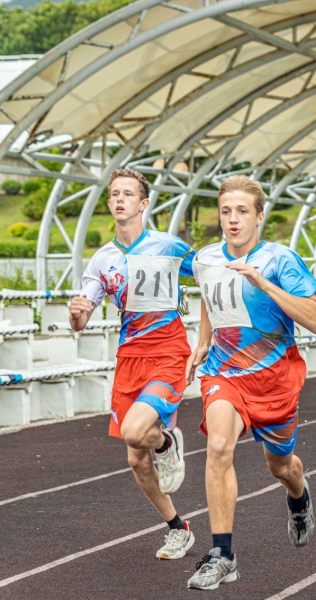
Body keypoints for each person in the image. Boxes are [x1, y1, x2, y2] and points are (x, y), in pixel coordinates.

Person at [184, 176, 316, 590]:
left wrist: (263, 283)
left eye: (242, 211)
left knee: (280, 465)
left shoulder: (281, 260)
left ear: (259, 217)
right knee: (218, 445)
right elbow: (209, 295)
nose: (233, 219)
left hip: (275, 379)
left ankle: (298, 495)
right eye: (226, 211)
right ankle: (222, 554)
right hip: (224, 373)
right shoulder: (206, 258)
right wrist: (204, 340)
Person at [69, 168, 195, 561]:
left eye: (127, 193)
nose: (119, 199)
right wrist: (77, 313)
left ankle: (168, 442)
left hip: (168, 352)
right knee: (136, 458)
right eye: (114, 194)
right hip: (129, 358)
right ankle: (178, 529)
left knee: (136, 431)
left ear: (143, 204)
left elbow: (209, 275)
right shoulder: (102, 260)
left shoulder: (168, 246)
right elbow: (80, 320)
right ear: (109, 203)